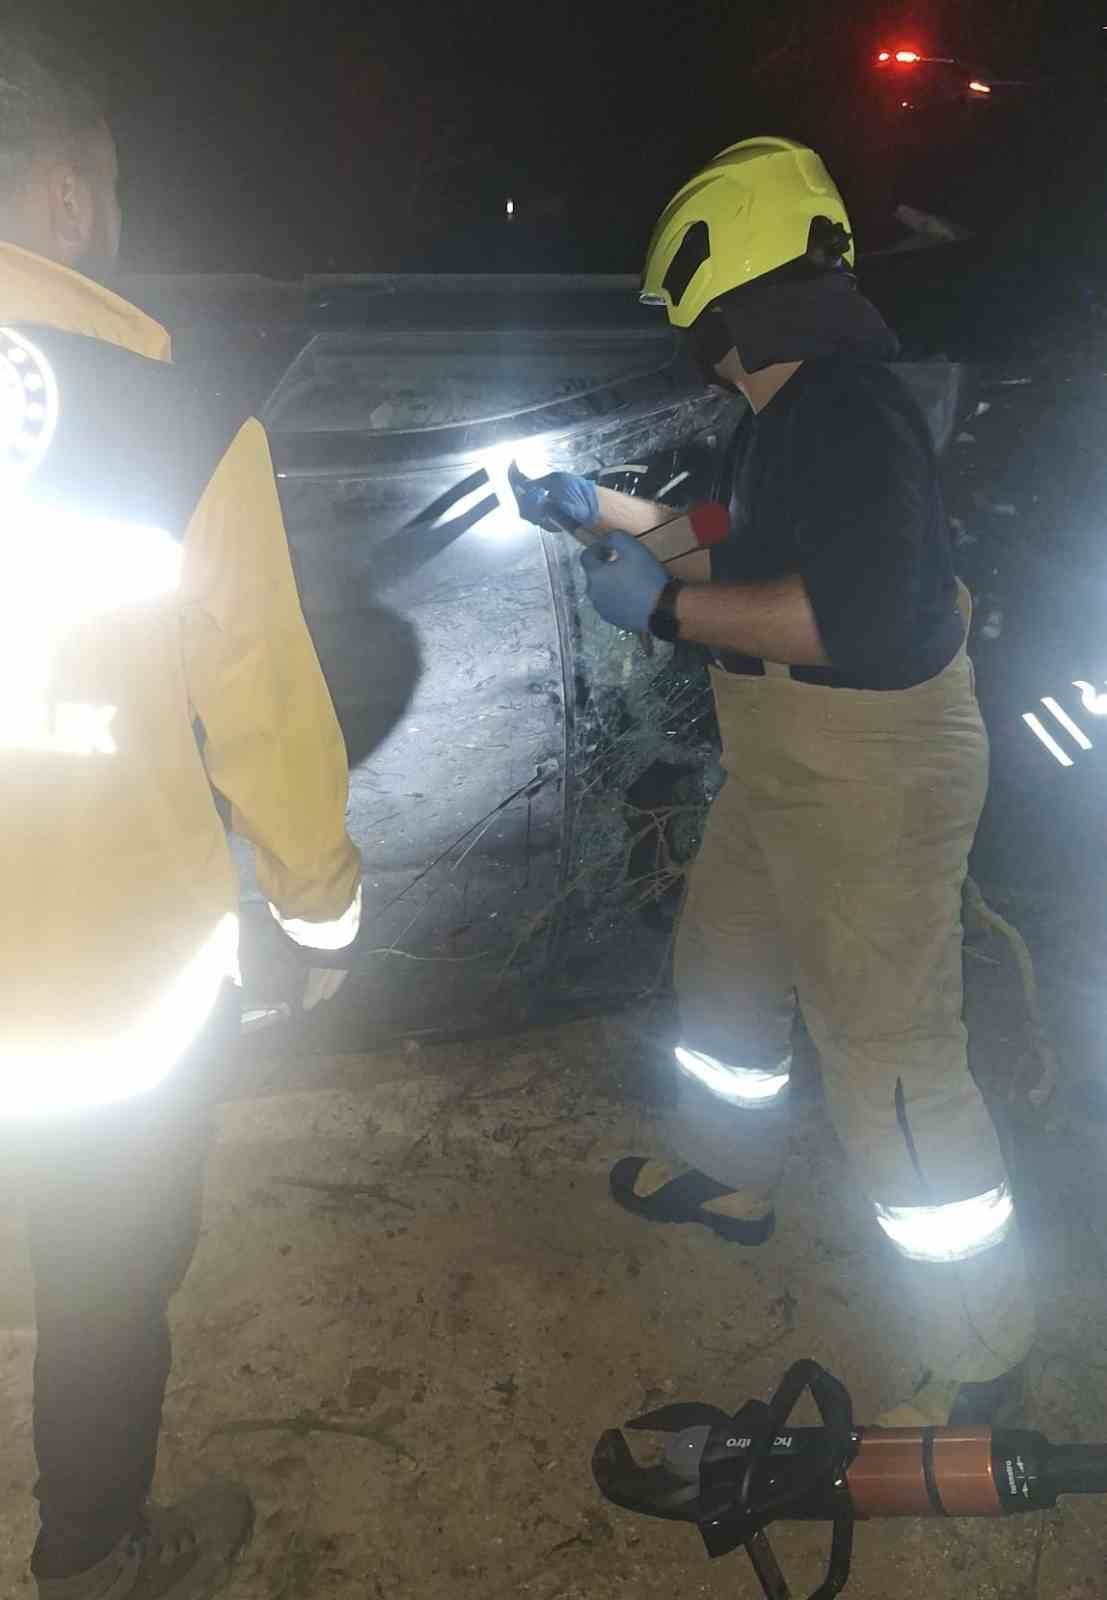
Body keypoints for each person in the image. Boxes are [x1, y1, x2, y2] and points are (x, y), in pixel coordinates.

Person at [514, 137, 1034, 1427]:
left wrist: (662, 619)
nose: (695, 338)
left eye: (694, 311)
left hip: (874, 769)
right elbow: (717, 533)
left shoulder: (847, 412)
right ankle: (738, 1182)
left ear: (725, 290)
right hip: (787, 755)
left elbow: (854, 619)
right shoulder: (788, 418)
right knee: (729, 968)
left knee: (893, 1056)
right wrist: (602, 515)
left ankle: (986, 1353)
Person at [0, 34, 363, 1600]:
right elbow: (263, 708)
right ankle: (90, 1557)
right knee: (102, 1289)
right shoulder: (179, 413)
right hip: (100, 1002)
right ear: (72, 187)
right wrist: (321, 915)